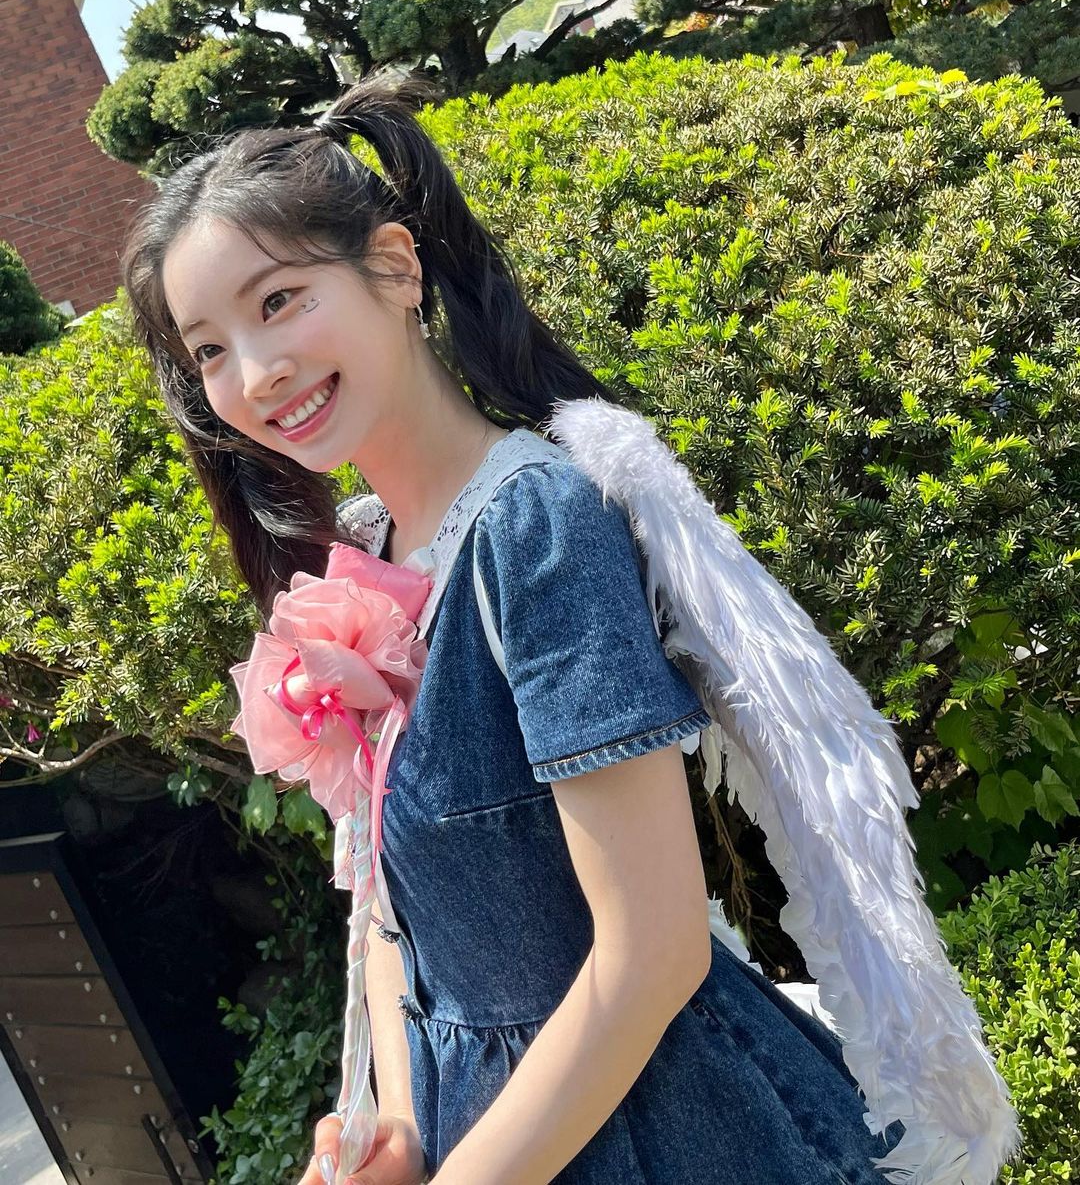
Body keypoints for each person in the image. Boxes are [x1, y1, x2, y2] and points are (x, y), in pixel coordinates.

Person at [121, 69, 909, 1184]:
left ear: (396, 267)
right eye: (208, 349)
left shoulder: (534, 527)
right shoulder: (366, 554)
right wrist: (400, 1130)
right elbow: (389, 912)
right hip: (486, 1126)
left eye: (280, 301)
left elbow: (653, 951)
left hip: (671, 1126)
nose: (254, 373)